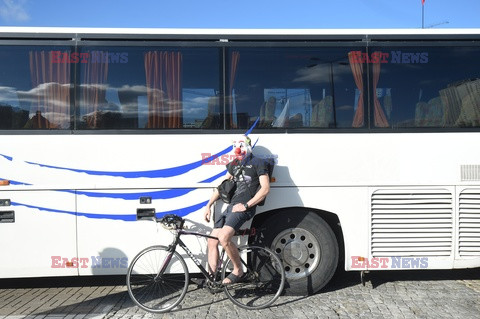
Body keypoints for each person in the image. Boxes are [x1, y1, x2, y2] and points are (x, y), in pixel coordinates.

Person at [204, 135, 270, 285]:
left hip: (243, 208)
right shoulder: (234, 164)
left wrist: (247, 205)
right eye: (235, 145)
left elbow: (265, 189)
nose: (237, 148)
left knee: (224, 238)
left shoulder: (258, 163)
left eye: (240, 144)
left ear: (248, 145)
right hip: (230, 207)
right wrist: (208, 205)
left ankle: (238, 270)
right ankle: (212, 278)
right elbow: (223, 187)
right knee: (212, 241)